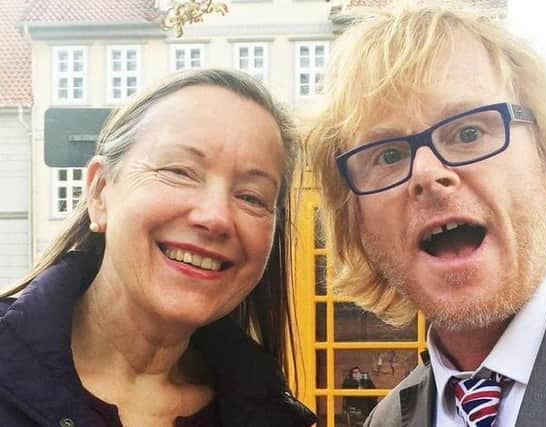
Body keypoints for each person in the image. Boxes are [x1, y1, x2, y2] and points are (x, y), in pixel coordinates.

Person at [307, 3, 546, 427]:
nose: (427, 174)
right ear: (356, 219)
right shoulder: (387, 420)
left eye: (468, 133)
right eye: (388, 155)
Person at [0, 69, 316, 427]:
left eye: (251, 197)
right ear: (100, 192)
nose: (216, 218)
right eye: (180, 172)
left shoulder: (273, 416)